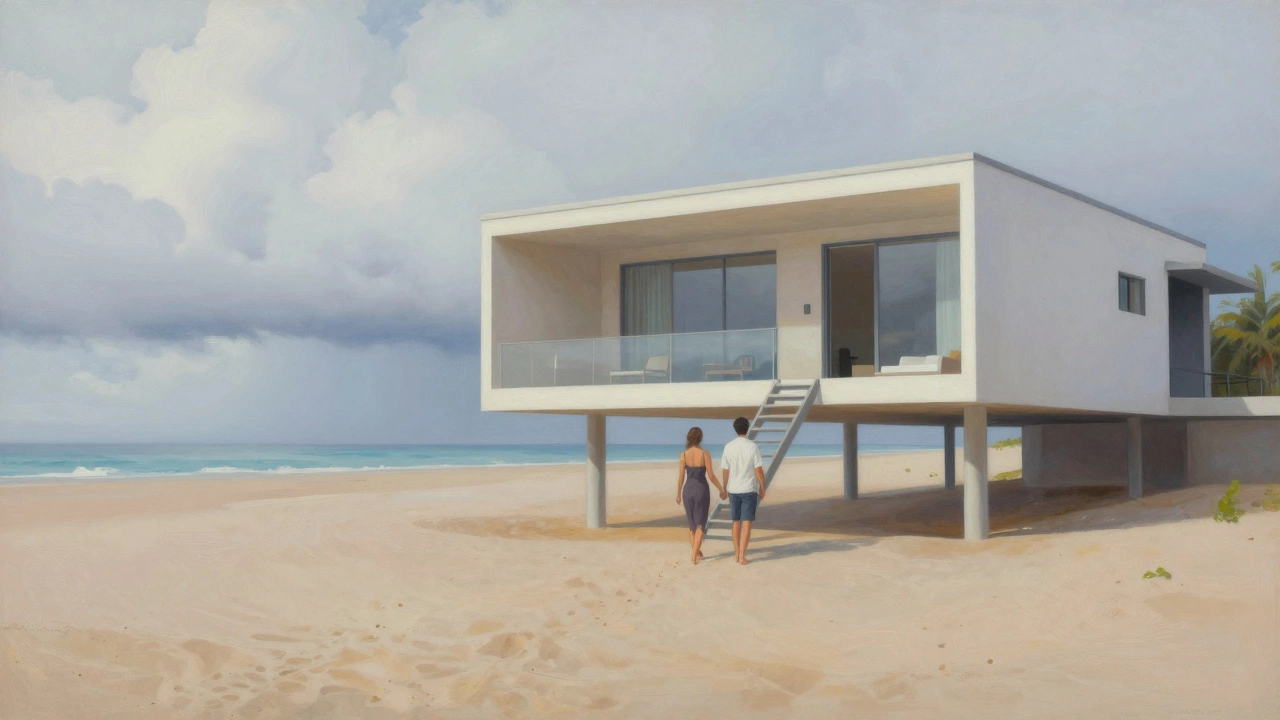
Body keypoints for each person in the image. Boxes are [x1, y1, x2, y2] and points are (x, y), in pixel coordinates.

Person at [676, 426, 727, 565]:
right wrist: (721, 489)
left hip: (687, 489)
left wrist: (678, 494)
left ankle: (696, 553)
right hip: (701, 489)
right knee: (700, 525)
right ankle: (694, 556)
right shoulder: (705, 454)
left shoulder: (683, 455)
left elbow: (681, 476)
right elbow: (710, 475)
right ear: (700, 438)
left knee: (691, 525)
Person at [721, 416, 765, 565]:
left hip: (733, 489)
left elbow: (725, 470)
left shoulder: (729, 446)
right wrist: (762, 487)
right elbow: (758, 469)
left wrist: (724, 487)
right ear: (747, 428)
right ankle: (742, 556)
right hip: (748, 489)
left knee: (735, 522)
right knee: (746, 522)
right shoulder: (752, 446)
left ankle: (736, 553)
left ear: (735, 428)